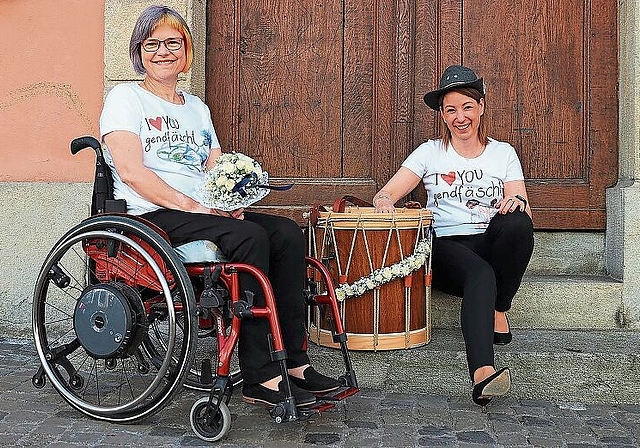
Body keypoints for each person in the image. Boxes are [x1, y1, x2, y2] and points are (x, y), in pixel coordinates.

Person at [99, 5, 339, 408]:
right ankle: (260, 376)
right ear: (138, 51)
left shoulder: (197, 108)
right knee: (249, 239)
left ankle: (294, 362)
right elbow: (131, 171)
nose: (163, 51)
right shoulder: (126, 98)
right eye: (152, 43)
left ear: (186, 50)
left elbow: (215, 167)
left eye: (173, 42)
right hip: (152, 214)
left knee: (286, 233)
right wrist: (194, 205)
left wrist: (232, 200)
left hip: (201, 211)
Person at [372, 65, 534, 406]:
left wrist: (513, 202)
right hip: (446, 246)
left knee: (518, 221)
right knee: (480, 273)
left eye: (467, 107)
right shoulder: (430, 152)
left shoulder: (503, 153)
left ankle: (498, 306)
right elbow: (385, 194)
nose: (460, 117)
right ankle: (481, 375)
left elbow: (524, 209)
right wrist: (385, 202)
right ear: (443, 116)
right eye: (451, 110)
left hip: (488, 241)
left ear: (481, 107)